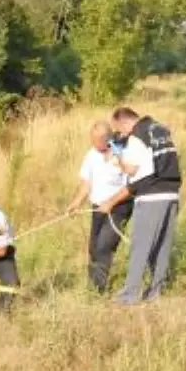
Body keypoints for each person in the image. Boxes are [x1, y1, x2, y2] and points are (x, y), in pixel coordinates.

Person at [98, 107, 181, 305]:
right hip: (172, 193)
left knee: (141, 245)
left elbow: (134, 170)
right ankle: (156, 290)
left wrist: (119, 161)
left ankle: (129, 294)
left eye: (120, 129)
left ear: (124, 122)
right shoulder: (159, 129)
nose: (122, 134)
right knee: (162, 244)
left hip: (151, 195)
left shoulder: (137, 137)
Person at [68, 121, 133, 293]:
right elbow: (86, 183)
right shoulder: (91, 155)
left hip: (119, 208)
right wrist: (76, 202)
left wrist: (110, 203)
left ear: (107, 139)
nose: (93, 144)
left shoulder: (123, 154)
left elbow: (131, 187)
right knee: (94, 247)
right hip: (97, 208)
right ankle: (94, 284)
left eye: (96, 141)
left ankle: (98, 290)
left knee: (104, 246)